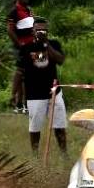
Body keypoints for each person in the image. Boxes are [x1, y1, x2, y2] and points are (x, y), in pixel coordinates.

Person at [20, 18, 67, 154]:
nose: (42, 32)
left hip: (54, 92)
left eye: (44, 30)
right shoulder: (26, 48)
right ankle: (35, 155)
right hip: (34, 93)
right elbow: (21, 73)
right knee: (35, 126)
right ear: (32, 31)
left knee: (59, 125)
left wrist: (46, 44)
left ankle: (64, 153)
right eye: (39, 30)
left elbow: (60, 60)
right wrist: (19, 96)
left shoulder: (54, 44)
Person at [6, 0, 35, 113]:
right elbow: (10, 30)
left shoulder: (29, 10)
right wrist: (19, 44)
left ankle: (22, 104)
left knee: (28, 75)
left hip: (33, 46)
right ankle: (14, 98)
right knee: (20, 71)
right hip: (22, 46)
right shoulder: (14, 11)